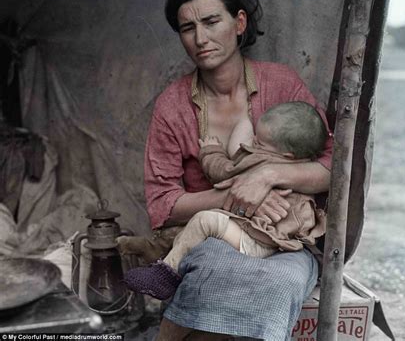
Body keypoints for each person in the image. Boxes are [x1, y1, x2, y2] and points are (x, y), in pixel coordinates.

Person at [128, 0, 334, 339]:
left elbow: (333, 167)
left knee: (283, 281)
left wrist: (267, 177)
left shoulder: (282, 85)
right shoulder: (173, 105)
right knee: (211, 270)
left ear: (239, 23)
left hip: (283, 240)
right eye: (187, 28)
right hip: (214, 237)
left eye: (211, 22)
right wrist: (235, 194)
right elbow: (163, 204)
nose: (200, 39)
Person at [124, 101, 328, 300]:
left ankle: (165, 277)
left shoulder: (262, 160)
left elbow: (223, 171)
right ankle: (157, 252)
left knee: (205, 221)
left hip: (259, 241)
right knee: (190, 232)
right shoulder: (302, 166)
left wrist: (211, 150)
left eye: (259, 143)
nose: (253, 142)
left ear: (287, 155)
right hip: (263, 234)